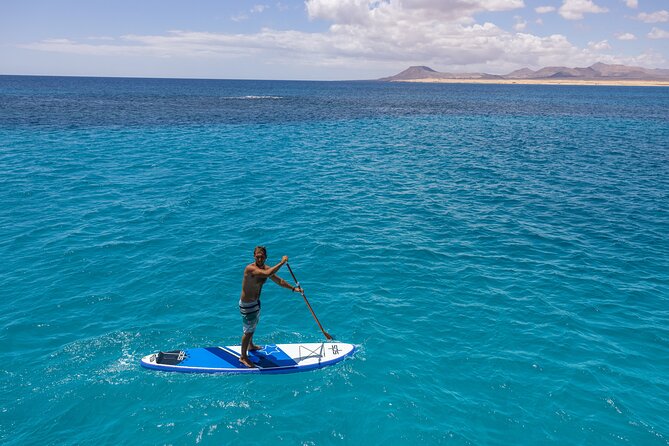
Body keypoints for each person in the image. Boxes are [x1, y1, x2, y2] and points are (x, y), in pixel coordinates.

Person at [238, 246, 302, 368]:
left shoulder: (266, 268)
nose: (260, 258)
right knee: (248, 331)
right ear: (254, 256)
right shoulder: (250, 269)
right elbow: (267, 273)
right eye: (257, 256)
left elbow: (280, 281)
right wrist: (282, 263)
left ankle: (250, 346)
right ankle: (243, 357)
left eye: (262, 256)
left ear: (266, 257)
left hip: (256, 303)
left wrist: (294, 289)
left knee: (253, 326)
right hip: (247, 305)